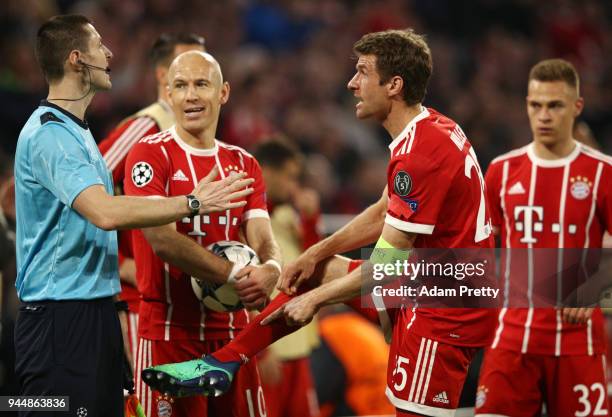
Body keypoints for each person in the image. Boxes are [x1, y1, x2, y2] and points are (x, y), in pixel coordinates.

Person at [143, 29, 499, 417]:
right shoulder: (430, 128)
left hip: (442, 307)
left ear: (394, 85)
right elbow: (383, 213)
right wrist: (315, 252)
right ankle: (223, 363)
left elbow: (385, 267)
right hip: (431, 280)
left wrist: (314, 302)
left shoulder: (420, 155)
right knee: (309, 271)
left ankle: (225, 360)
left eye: (363, 72)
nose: (352, 83)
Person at [13, 15, 253, 417]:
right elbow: (104, 213)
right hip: (58, 317)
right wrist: (192, 202)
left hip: (94, 312)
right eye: (98, 47)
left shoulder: (80, 133)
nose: (108, 54)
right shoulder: (49, 133)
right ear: (76, 60)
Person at [124, 50, 282, 417]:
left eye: (201, 84)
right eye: (180, 86)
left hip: (231, 337)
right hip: (168, 333)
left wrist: (272, 265)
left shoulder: (243, 163)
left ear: (223, 92)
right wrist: (232, 276)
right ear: (168, 93)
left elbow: (261, 234)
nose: (191, 96)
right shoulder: (149, 155)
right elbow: (161, 241)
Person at [474, 59, 612, 417]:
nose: (544, 115)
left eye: (555, 105)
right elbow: (481, 251)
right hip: (513, 337)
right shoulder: (502, 171)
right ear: (526, 105)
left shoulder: (603, 172)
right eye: (536, 105)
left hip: (578, 341)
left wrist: (596, 285)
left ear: (577, 107)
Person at [97, 32, 205, 368]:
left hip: (189, 300)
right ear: (162, 75)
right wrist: (114, 264)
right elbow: (81, 194)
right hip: (144, 301)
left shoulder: (197, 133)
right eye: (190, 62)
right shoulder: (145, 126)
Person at [254, 140, 321, 417]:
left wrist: (309, 220)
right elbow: (241, 289)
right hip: (270, 350)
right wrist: (261, 353)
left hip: (297, 344)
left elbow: (313, 270)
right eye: (289, 177)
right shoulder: (247, 220)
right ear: (266, 171)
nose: (294, 186)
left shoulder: (284, 215)